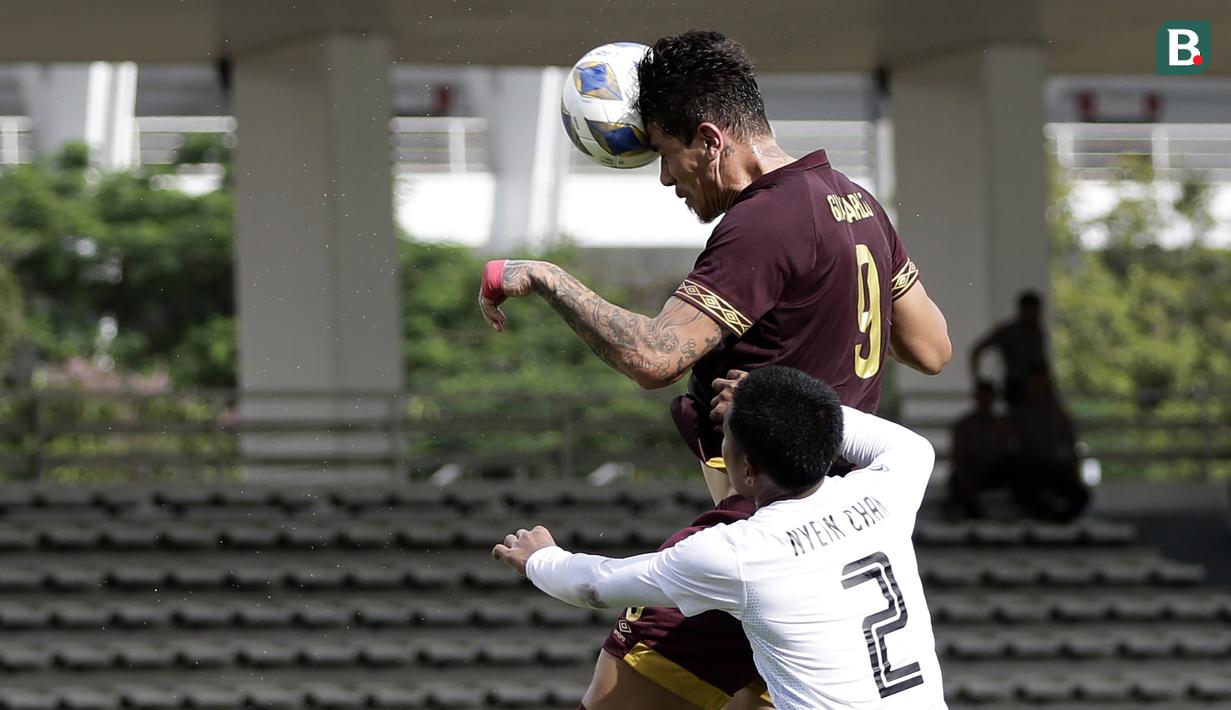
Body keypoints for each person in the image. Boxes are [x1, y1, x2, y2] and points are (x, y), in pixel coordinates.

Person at [479, 31, 951, 709]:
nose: (666, 179)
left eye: (666, 156)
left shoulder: (765, 222)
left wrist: (548, 278)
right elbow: (931, 347)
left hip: (765, 531)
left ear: (708, 140)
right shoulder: (856, 202)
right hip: (849, 527)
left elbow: (655, 357)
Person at [494, 367, 947, 710]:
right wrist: (773, 401)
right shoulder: (891, 487)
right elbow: (875, 436)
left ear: (747, 469)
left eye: (727, 438)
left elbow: (596, 585)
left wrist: (539, 558)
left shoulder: (736, 553)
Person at [1004, 368, 1090, 522]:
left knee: (1080, 496)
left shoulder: (1056, 412)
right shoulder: (1018, 412)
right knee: (1025, 493)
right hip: (1028, 468)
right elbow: (1008, 444)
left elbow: (1069, 441)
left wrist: (1073, 467)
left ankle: (1059, 519)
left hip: (1052, 466)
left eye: (1040, 383)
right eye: (1034, 383)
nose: (1037, 387)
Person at [946, 380, 1013, 519]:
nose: (986, 401)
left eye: (989, 397)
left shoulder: (1001, 425)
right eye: (983, 396)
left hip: (994, 471)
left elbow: (1006, 451)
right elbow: (957, 458)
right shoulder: (964, 425)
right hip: (971, 471)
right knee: (958, 482)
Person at [969, 291, 1049, 404]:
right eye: (1032, 311)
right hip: (1017, 388)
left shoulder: (1038, 332)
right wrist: (979, 381)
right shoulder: (1009, 332)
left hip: (1036, 389)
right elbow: (976, 351)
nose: (1034, 316)